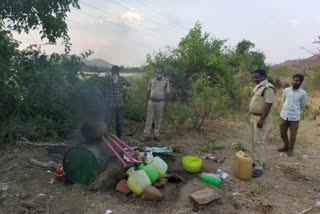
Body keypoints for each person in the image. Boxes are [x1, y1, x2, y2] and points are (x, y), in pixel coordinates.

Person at [249, 69, 275, 178]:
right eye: (254, 77)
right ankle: (256, 161)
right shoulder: (259, 87)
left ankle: (259, 168)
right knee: (253, 141)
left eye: (257, 77)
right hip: (253, 117)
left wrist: (262, 120)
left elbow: (268, 104)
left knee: (258, 142)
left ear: (264, 76)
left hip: (260, 118)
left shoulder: (268, 88)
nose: (255, 79)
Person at [278, 74, 308, 156]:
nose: (295, 82)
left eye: (297, 80)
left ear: (301, 81)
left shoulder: (303, 93)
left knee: (293, 135)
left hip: (294, 117)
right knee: (282, 133)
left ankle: (291, 149)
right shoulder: (286, 90)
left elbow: (302, 105)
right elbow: (284, 100)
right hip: (284, 115)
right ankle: (286, 146)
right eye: (294, 80)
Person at [99, 65, 130, 139]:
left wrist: (124, 90)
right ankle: (107, 137)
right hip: (109, 105)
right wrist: (102, 95)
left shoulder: (122, 79)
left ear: (118, 72)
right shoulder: (106, 79)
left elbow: (128, 85)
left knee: (119, 123)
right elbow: (99, 87)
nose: (115, 74)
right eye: (114, 72)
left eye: (116, 72)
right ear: (111, 72)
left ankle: (118, 138)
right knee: (107, 122)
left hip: (119, 105)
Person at [140, 68, 169, 142]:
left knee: (158, 119)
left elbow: (167, 94)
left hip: (160, 103)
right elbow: (149, 91)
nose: (159, 74)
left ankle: (156, 134)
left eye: (160, 72)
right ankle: (146, 135)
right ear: (155, 73)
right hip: (151, 102)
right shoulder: (152, 80)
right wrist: (146, 101)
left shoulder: (166, 81)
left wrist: (166, 104)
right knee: (149, 119)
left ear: (162, 73)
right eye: (157, 72)